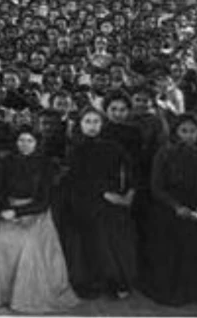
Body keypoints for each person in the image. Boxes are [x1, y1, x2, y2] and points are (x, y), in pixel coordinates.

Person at [0, 127, 79, 313]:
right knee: (2, 242)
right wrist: (7, 209)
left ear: (37, 143)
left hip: (35, 212)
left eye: (29, 141)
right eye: (21, 140)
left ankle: (26, 297)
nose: (24, 145)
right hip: (9, 210)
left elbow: (44, 201)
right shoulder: (7, 162)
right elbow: (0, 191)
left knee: (29, 243)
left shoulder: (46, 165)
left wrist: (18, 212)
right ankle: (4, 295)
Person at [147, 112, 197, 306]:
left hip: (195, 209)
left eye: (193, 131)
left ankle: (189, 291)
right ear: (176, 132)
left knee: (191, 251)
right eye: (184, 131)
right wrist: (176, 206)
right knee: (168, 251)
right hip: (168, 209)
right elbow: (157, 186)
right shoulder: (164, 153)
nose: (188, 135)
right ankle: (167, 291)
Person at [63, 107, 138, 300]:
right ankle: (89, 282)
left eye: (96, 122)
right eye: (87, 121)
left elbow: (129, 172)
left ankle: (114, 281)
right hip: (81, 202)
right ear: (80, 125)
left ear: (102, 125)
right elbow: (72, 180)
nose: (92, 126)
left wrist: (123, 196)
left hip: (108, 201)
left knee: (106, 235)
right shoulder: (73, 149)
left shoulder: (113, 147)